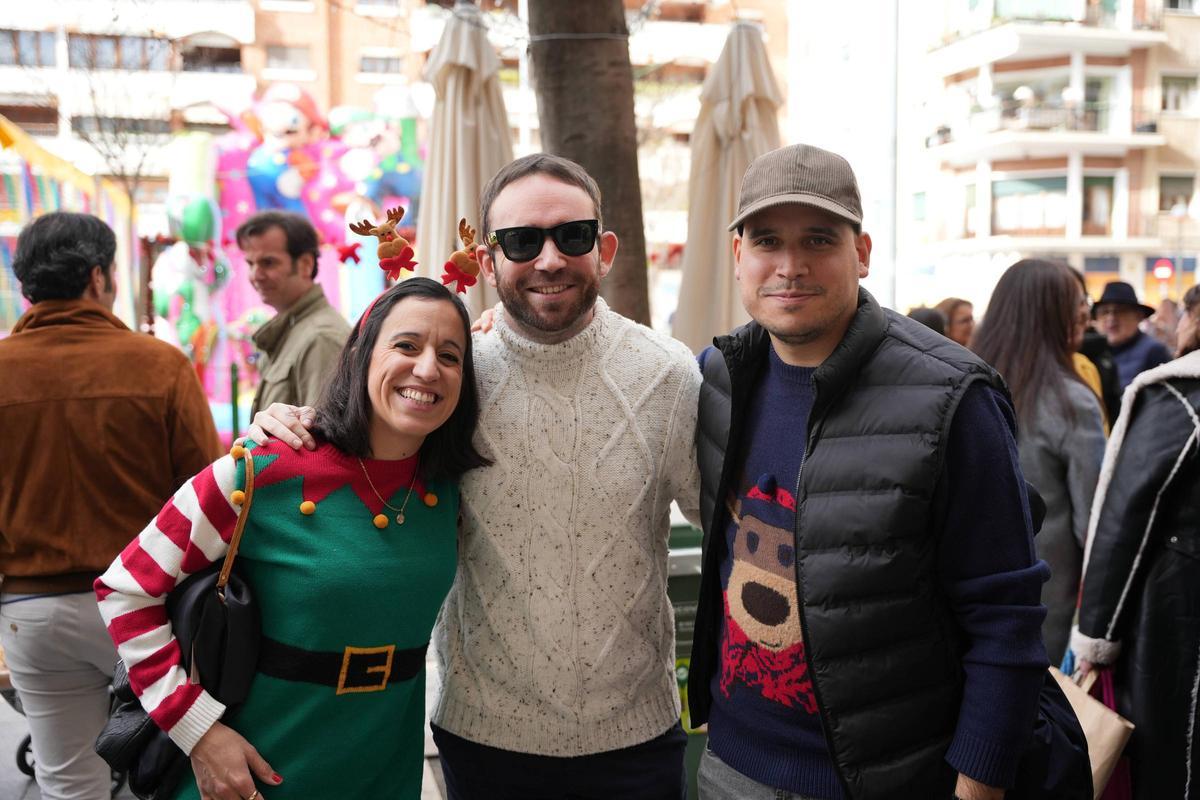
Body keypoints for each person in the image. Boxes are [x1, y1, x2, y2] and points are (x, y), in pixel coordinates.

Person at [248, 154, 702, 799]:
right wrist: (289, 424)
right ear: (488, 262)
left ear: (603, 250)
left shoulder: (671, 376)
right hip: (484, 739)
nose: (549, 259)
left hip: (637, 738)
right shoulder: (447, 381)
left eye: (572, 236)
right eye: (522, 241)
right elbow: (360, 458)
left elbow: (730, 522)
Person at [689, 144, 1052, 800]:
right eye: (767, 241)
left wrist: (979, 785)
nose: (790, 266)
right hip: (731, 766)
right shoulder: (718, 376)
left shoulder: (952, 396)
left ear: (861, 252)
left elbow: (1005, 612)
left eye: (818, 239)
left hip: (889, 777)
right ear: (739, 254)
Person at [95, 277, 489, 800]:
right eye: (406, 345)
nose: (427, 369)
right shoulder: (262, 470)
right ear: (361, 353)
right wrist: (198, 731)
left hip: (384, 774)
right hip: (254, 777)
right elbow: (125, 588)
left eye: (450, 355)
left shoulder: (451, 490)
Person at [0, 211, 221, 800]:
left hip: (32, 608)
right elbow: (207, 493)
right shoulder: (160, 366)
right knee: (178, 764)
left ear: (26, 285)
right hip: (146, 604)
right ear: (98, 277)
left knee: (68, 781)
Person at [1070, 283, 1200, 800]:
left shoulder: (1181, 393)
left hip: (1178, 618)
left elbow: (1127, 517)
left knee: (1169, 764)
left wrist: (1095, 637)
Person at [971, 260, 1106, 664]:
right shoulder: (1070, 402)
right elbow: (1094, 525)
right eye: (1076, 306)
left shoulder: (961, 385)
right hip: (1045, 603)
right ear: (1052, 316)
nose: (1084, 315)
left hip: (967, 593)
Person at [238, 210, 351, 416]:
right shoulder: (294, 328)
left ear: (305, 265)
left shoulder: (321, 338)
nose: (255, 275)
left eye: (268, 263)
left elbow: (324, 432)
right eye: (250, 264)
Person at [1092, 281, 1171, 391]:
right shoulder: (1093, 351)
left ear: (1138, 316)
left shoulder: (1153, 351)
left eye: (1120, 311)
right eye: (1104, 312)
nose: (1111, 318)